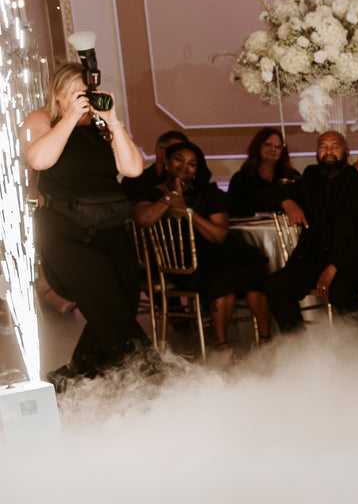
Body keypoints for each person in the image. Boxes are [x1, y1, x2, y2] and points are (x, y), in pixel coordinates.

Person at [24, 62, 149, 382]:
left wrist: (114, 122)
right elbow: (39, 159)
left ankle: (72, 378)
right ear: (58, 94)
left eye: (87, 93)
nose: (84, 99)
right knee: (109, 310)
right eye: (75, 93)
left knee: (120, 306)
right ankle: (149, 377)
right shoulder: (42, 119)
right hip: (67, 234)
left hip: (112, 228)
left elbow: (133, 169)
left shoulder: (102, 125)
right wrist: (69, 118)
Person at [131, 141, 270, 350]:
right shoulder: (150, 193)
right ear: (167, 162)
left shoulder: (209, 193)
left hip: (219, 254)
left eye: (192, 164)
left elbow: (219, 236)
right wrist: (169, 197)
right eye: (179, 159)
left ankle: (265, 342)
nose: (184, 166)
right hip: (183, 264)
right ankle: (223, 347)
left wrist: (186, 210)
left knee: (255, 269)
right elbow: (143, 220)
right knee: (223, 279)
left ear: (197, 170)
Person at [264, 131, 358, 331]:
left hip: (357, 261)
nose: (328, 151)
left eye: (335, 146)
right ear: (317, 152)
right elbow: (272, 193)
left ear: (346, 152)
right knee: (275, 285)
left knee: (338, 289)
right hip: (317, 260)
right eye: (323, 146)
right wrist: (287, 202)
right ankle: (298, 342)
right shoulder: (312, 177)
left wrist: (335, 265)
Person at [226, 128, 301, 216]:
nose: (273, 149)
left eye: (278, 146)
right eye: (268, 144)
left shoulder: (292, 175)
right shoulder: (240, 178)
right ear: (258, 146)